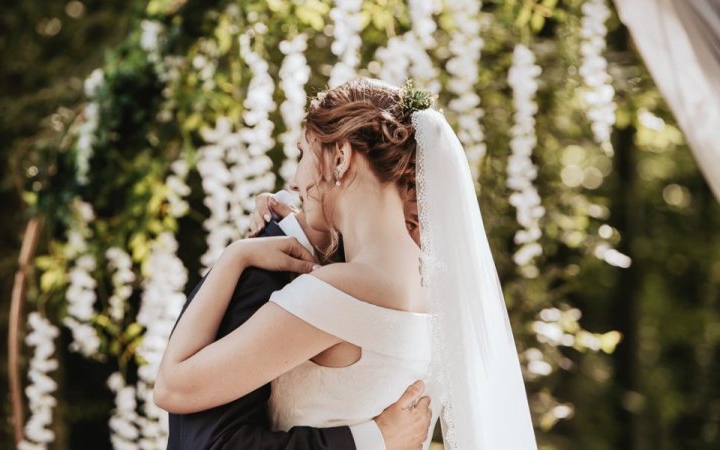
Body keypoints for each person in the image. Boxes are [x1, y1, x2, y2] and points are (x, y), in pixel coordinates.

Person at [156, 77, 538, 450]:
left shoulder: (340, 291)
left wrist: (235, 256)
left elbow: (174, 387)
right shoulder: (436, 283)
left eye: (302, 154)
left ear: (340, 157)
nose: (292, 180)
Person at [165, 192, 431, 450]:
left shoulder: (392, 292)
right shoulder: (263, 274)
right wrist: (374, 439)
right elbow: (211, 441)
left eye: (304, 153)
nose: (292, 184)